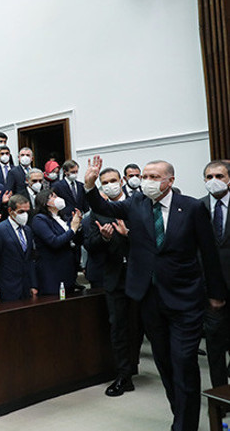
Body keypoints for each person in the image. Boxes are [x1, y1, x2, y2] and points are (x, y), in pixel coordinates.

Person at [84, 156, 226, 431]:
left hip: (185, 298)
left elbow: (209, 253)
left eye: (153, 177)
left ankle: (184, 426)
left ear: (170, 181)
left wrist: (215, 293)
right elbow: (103, 206)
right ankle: (180, 415)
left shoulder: (192, 207)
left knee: (183, 361)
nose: (146, 181)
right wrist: (89, 185)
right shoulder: (136, 203)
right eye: (144, 176)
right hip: (149, 297)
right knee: (164, 362)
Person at [85, 166, 142, 398]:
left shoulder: (139, 204)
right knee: (118, 327)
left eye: (113, 180)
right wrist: (104, 238)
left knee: (144, 326)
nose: (110, 185)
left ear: (122, 180)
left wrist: (129, 234)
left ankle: (139, 365)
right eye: (105, 182)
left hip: (141, 276)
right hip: (114, 277)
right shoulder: (98, 212)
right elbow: (90, 245)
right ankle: (124, 375)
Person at [201, 160, 230, 390]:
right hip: (210, 292)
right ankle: (220, 397)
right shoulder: (197, 208)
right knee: (215, 347)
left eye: (219, 176)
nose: (214, 181)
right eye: (209, 177)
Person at [0, 195, 38, 302]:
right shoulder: (0, 230)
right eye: (21, 212)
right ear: (10, 211)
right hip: (7, 287)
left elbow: (29, 259)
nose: (25, 215)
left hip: (25, 286)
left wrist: (33, 284)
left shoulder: (28, 230)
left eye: (27, 212)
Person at [31, 188, 83, 295]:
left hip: (67, 268)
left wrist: (78, 226)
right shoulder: (39, 219)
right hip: (52, 271)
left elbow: (75, 240)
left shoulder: (62, 218)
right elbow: (54, 242)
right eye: (54, 197)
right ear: (45, 202)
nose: (58, 198)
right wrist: (73, 229)